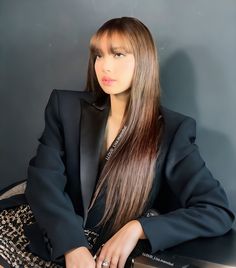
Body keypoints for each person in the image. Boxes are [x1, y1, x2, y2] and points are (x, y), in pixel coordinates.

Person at [0, 16, 234, 268]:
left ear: (143, 61)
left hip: (107, 250)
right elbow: (44, 181)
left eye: (118, 55)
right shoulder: (65, 107)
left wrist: (138, 228)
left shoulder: (172, 131)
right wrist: (72, 245)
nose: (105, 67)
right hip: (47, 228)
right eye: (99, 56)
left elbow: (216, 210)